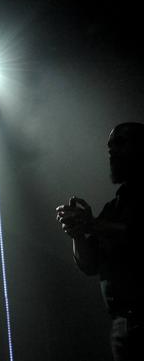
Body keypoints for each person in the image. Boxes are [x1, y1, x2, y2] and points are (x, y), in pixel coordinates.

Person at [56, 122, 144, 361]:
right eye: (109, 145)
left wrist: (92, 224)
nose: (111, 151)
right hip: (123, 327)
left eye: (120, 142)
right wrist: (77, 234)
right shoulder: (113, 208)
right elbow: (90, 265)